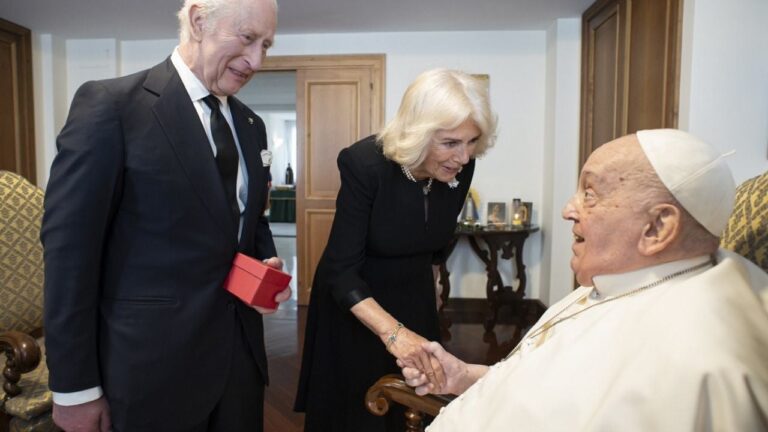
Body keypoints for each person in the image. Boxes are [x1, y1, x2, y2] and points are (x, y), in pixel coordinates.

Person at [401, 129, 768, 431]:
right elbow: (543, 392)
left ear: (658, 227)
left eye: (590, 194)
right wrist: (464, 376)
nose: (568, 210)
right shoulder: (617, 281)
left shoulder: (694, 362)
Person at [40, 0, 290, 430]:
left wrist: (263, 264)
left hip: (239, 364)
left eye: (265, 45)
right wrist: (74, 389)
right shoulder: (111, 106)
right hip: (148, 371)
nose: (256, 61)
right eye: (248, 38)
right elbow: (69, 255)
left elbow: (248, 221)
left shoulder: (251, 125)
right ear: (198, 21)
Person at [294, 68, 497, 431]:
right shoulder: (364, 164)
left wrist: (433, 286)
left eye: (472, 142)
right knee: (357, 409)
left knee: (414, 402)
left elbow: (435, 241)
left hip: (413, 294)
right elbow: (341, 271)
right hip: (358, 300)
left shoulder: (460, 167)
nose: (464, 157)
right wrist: (395, 334)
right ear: (418, 132)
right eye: (451, 143)